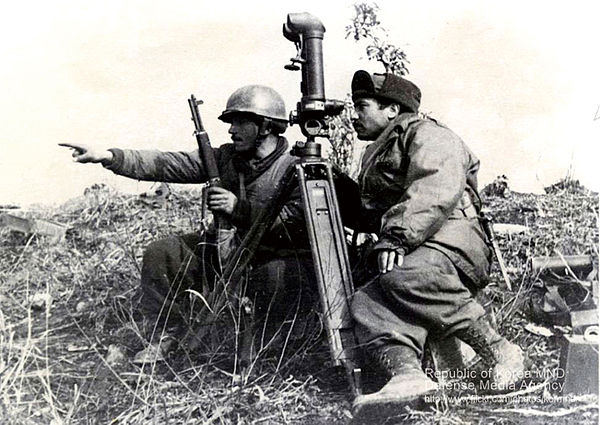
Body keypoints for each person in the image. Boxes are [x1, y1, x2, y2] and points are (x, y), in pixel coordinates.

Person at [60, 85, 314, 362]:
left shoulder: (296, 167)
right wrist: (110, 156)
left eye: (241, 122)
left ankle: (272, 345)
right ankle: (167, 334)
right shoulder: (225, 158)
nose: (231, 130)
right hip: (227, 250)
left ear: (265, 126)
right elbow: (168, 164)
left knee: (274, 276)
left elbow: (296, 224)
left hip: (274, 255)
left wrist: (237, 208)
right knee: (163, 254)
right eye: (231, 123)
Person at [346, 70, 525, 412]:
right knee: (366, 301)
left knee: (403, 275)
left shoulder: (429, 135)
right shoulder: (378, 149)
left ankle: (500, 350)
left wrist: (396, 238)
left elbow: (434, 188)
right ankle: (408, 376)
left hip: (455, 241)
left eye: (361, 105)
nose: (355, 115)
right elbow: (378, 210)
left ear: (392, 110)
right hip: (423, 241)